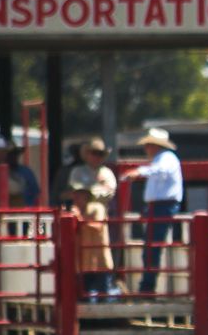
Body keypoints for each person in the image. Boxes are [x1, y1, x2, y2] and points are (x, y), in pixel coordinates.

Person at [121, 128, 183, 296]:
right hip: (157, 206)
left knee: (152, 248)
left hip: (162, 206)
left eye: (148, 145)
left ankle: (147, 288)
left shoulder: (166, 159)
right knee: (151, 248)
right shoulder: (162, 160)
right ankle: (147, 286)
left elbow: (160, 172)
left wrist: (139, 171)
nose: (146, 149)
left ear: (154, 146)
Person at [68, 182, 118, 300]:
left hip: (99, 258)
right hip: (84, 261)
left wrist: (79, 218)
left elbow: (98, 225)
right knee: (84, 294)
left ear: (86, 196)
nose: (76, 197)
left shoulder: (97, 207)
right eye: (75, 194)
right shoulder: (74, 211)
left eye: (79, 194)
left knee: (103, 293)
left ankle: (106, 315)